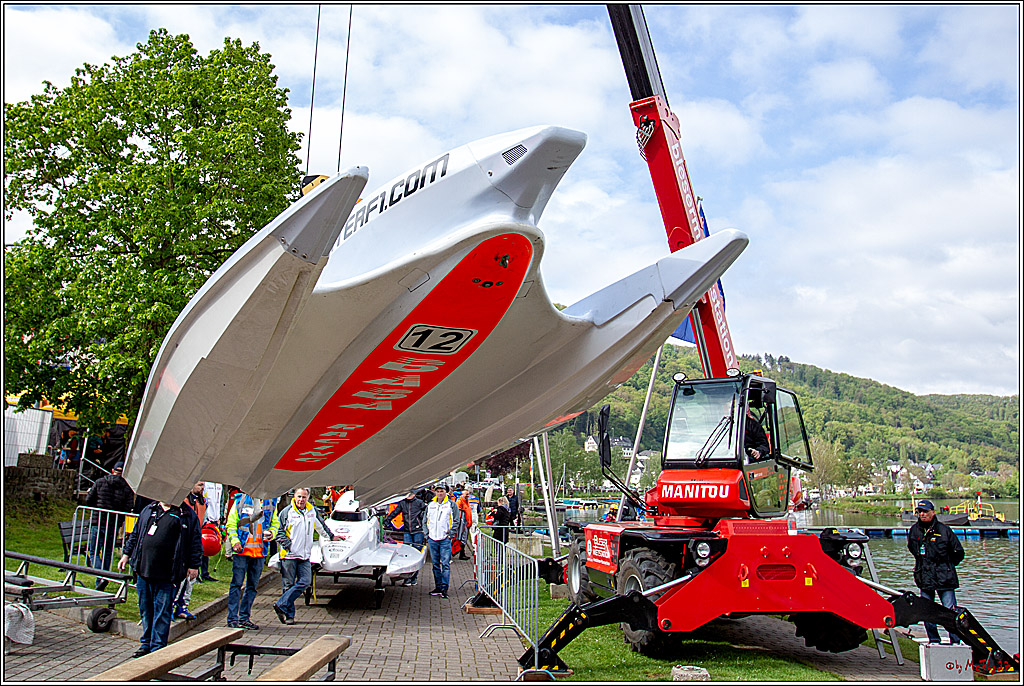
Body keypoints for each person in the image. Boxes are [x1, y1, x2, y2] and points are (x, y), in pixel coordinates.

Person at [118, 499, 202, 658]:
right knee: (146, 608)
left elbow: (195, 540)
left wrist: (194, 565)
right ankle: (146, 643)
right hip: (144, 569)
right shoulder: (149, 509)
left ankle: (157, 646)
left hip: (168, 573)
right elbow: (136, 533)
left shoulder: (186, 514)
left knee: (162, 611)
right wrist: (126, 554)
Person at [273, 488, 339, 625]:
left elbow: (321, 527)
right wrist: (289, 546)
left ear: (307, 498)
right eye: (299, 497)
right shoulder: (286, 512)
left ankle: (281, 604)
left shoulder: (312, 511)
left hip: (304, 556)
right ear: (294, 497)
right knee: (288, 585)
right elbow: (279, 533)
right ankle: (289, 615)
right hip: (289, 555)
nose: (301, 500)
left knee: (305, 581)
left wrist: (332, 537)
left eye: (303, 497)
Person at [907, 498, 965, 644]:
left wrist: (947, 566)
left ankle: (955, 641)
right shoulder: (914, 530)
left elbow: (958, 552)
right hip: (925, 577)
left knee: (950, 611)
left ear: (932, 512)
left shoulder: (944, 530)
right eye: (920, 512)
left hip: (945, 578)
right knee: (927, 611)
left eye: (925, 511)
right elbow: (912, 549)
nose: (922, 514)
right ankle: (933, 640)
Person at [225, 491, 279, 630]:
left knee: (252, 587)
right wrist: (235, 541)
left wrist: (272, 533)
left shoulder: (271, 502)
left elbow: (275, 523)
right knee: (236, 584)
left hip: (259, 552)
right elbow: (231, 524)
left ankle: (244, 618)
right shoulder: (241, 500)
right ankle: (232, 618)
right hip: (242, 551)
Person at [84, 460, 135, 589]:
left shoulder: (100, 482)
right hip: (113, 523)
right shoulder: (127, 487)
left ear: (112, 471)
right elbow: (129, 506)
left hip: (98, 520)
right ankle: (103, 577)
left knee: (94, 552)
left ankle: (101, 576)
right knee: (107, 552)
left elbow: (88, 500)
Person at [173, 481, 207, 620]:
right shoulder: (185, 501)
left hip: (195, 539)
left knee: (190, 579)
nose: (202, 488)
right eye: (199, 485)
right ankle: (172, 605)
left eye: (203, 485)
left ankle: (183, 606)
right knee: (180, 578)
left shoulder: (202, 502)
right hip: (182, 541)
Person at [385, 490, 427, 585]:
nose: (409, 495)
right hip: (407, 530)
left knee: (416, 554)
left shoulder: (419, 503)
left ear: (415, 494)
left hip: (418, 530)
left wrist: (421, 517)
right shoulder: (403, 503)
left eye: (411, 493)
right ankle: (407, 578)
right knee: (406, 554)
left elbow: (427, 511)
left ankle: (414, 578)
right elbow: (394, 513)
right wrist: (387, 522)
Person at [425, 484, 455, 599]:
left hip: (445, 539)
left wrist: (450, 534)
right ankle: (437, 587)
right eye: (438, 491)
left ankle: (444, 588)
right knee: (435, 564)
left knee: (445, 564)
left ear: (445, 492)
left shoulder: (451, 504)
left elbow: (456, 520)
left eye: (442, 491)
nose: (439, 493)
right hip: (432, 538)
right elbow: (425, 520)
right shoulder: (431, 505)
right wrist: (427, 534)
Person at [200, 481, 224, 581]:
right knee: (201, 547)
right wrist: (204, 518)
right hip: (206, 520)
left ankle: (204, 573)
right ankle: (197, 573)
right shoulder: (206, 484)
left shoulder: (219, 485)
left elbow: (221, 502)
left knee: (209, 548)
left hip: (215, 520)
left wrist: (220, 517)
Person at [454, 486, 476, 560]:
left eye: (468, 494)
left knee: (464, 538)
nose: (468, 495)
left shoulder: (466, 501)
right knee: (462, 538)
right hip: (462, 524)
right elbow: (458, 513)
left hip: (467, 523)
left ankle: (462, 553)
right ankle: (461, 553)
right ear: (462, 494)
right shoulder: (460, 501)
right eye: (466, 494)